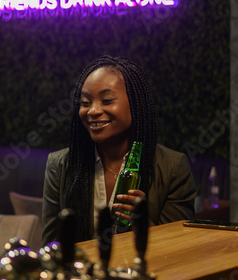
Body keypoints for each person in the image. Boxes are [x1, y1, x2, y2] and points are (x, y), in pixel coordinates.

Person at [41, 55, 197, 244]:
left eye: (106, 100)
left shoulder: (172, 167)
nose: (92, 111)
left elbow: (179, 250)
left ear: (135, 104)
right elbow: (50, 247)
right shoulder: (60, 165)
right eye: (85, 102)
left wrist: (142, 222)